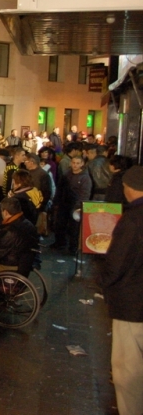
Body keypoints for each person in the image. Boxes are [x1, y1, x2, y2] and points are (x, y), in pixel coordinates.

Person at [97, 165, 143, 415]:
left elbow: (117, 262)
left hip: (132, 305)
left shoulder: (133, 219)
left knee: (128, 370)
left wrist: (103, 282)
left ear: (130, 188)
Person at [52, 154, 92, 253]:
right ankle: (60, 243)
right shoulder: (66, 175)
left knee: (74, 228)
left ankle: (73, 247)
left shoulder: (85, 178)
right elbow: (59, 189)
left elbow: (85, 193)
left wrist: (80, 206)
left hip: (75, 205)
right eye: (73, 163)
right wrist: (56, 202)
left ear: (82, 164)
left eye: (77, 163)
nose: (75, 165)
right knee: (60, 224)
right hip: (64, 203)